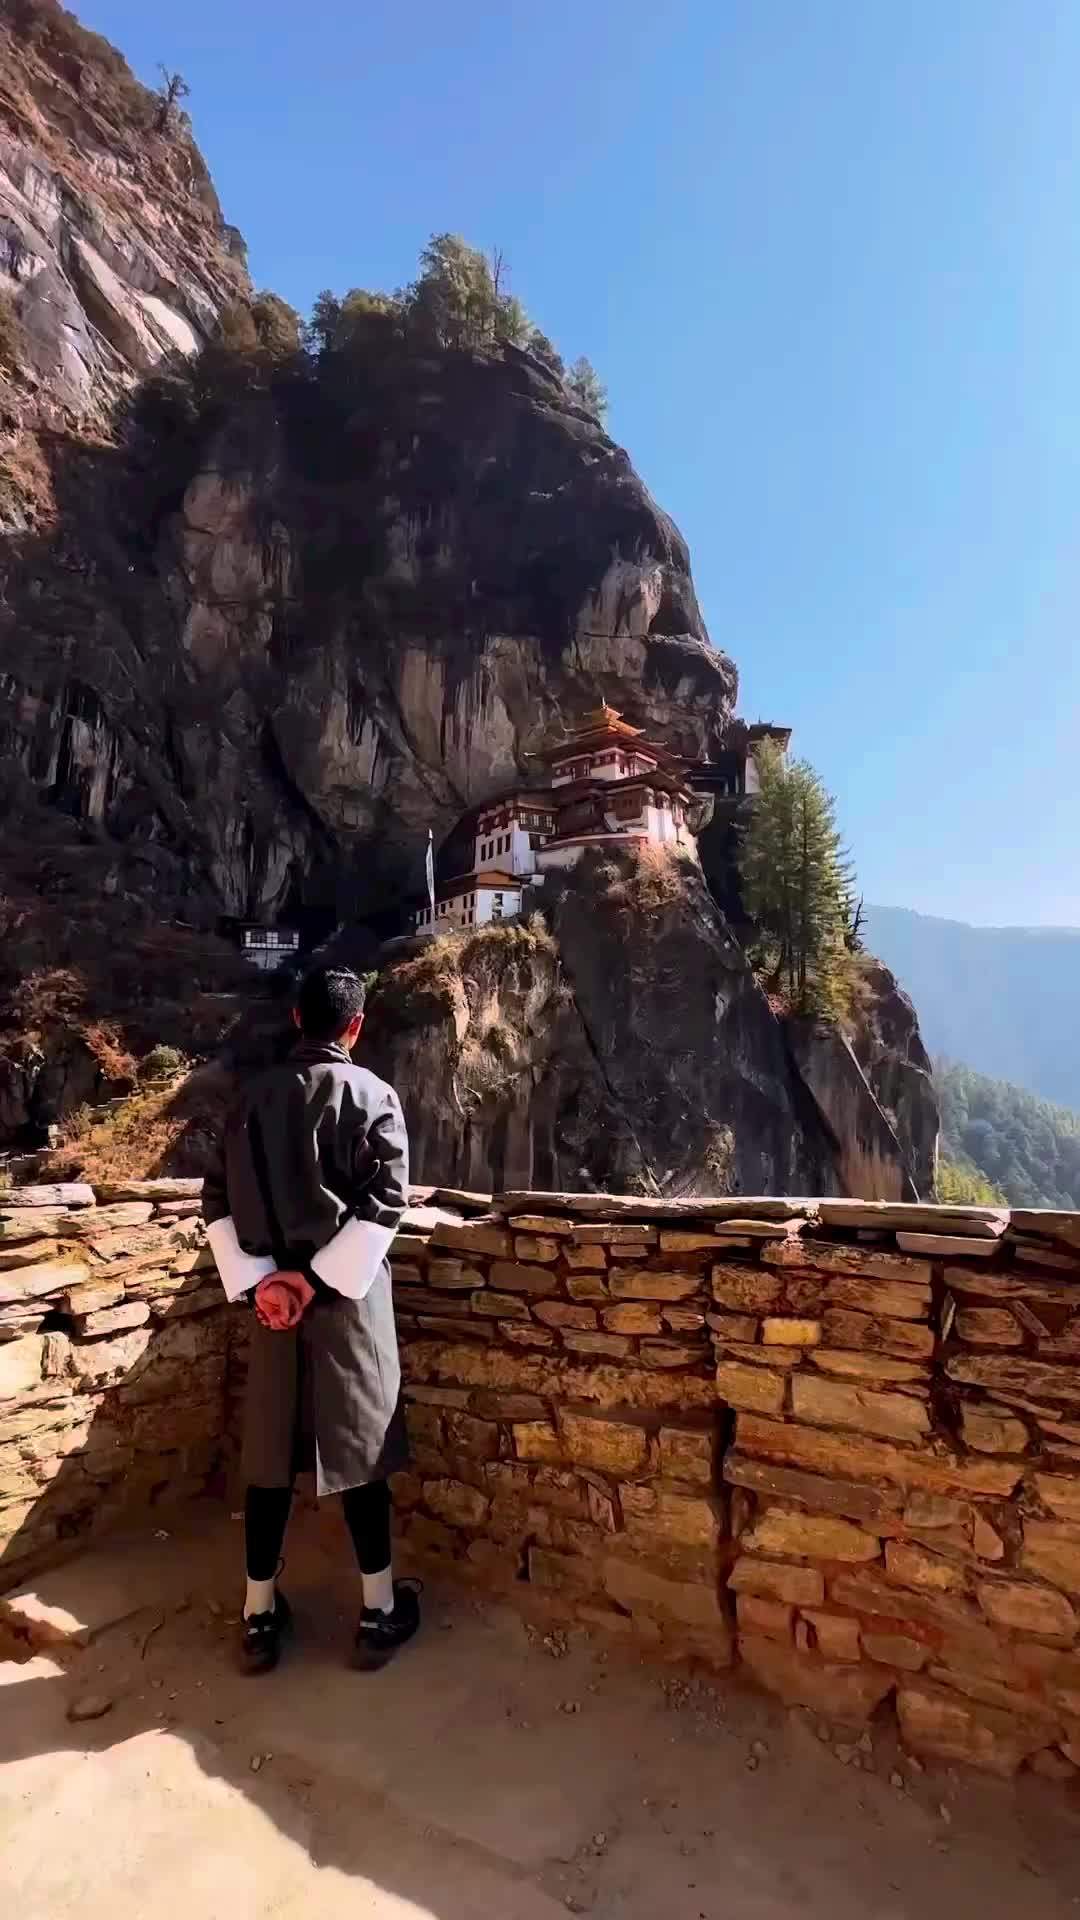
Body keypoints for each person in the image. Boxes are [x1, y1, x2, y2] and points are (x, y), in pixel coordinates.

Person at [203, 964, 419, 1675]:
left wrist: (267, 1285)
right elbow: (386, 1204)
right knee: (359, 1457)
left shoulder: (246, 1100)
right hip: (346, 1308)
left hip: (274, 1312)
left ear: (298, 1019)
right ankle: (378, 1611)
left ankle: (259, 1616)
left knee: (267, 1459)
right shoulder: (373, 1095)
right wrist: (315, 1279)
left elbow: (216, 1202)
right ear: (354, 1026)